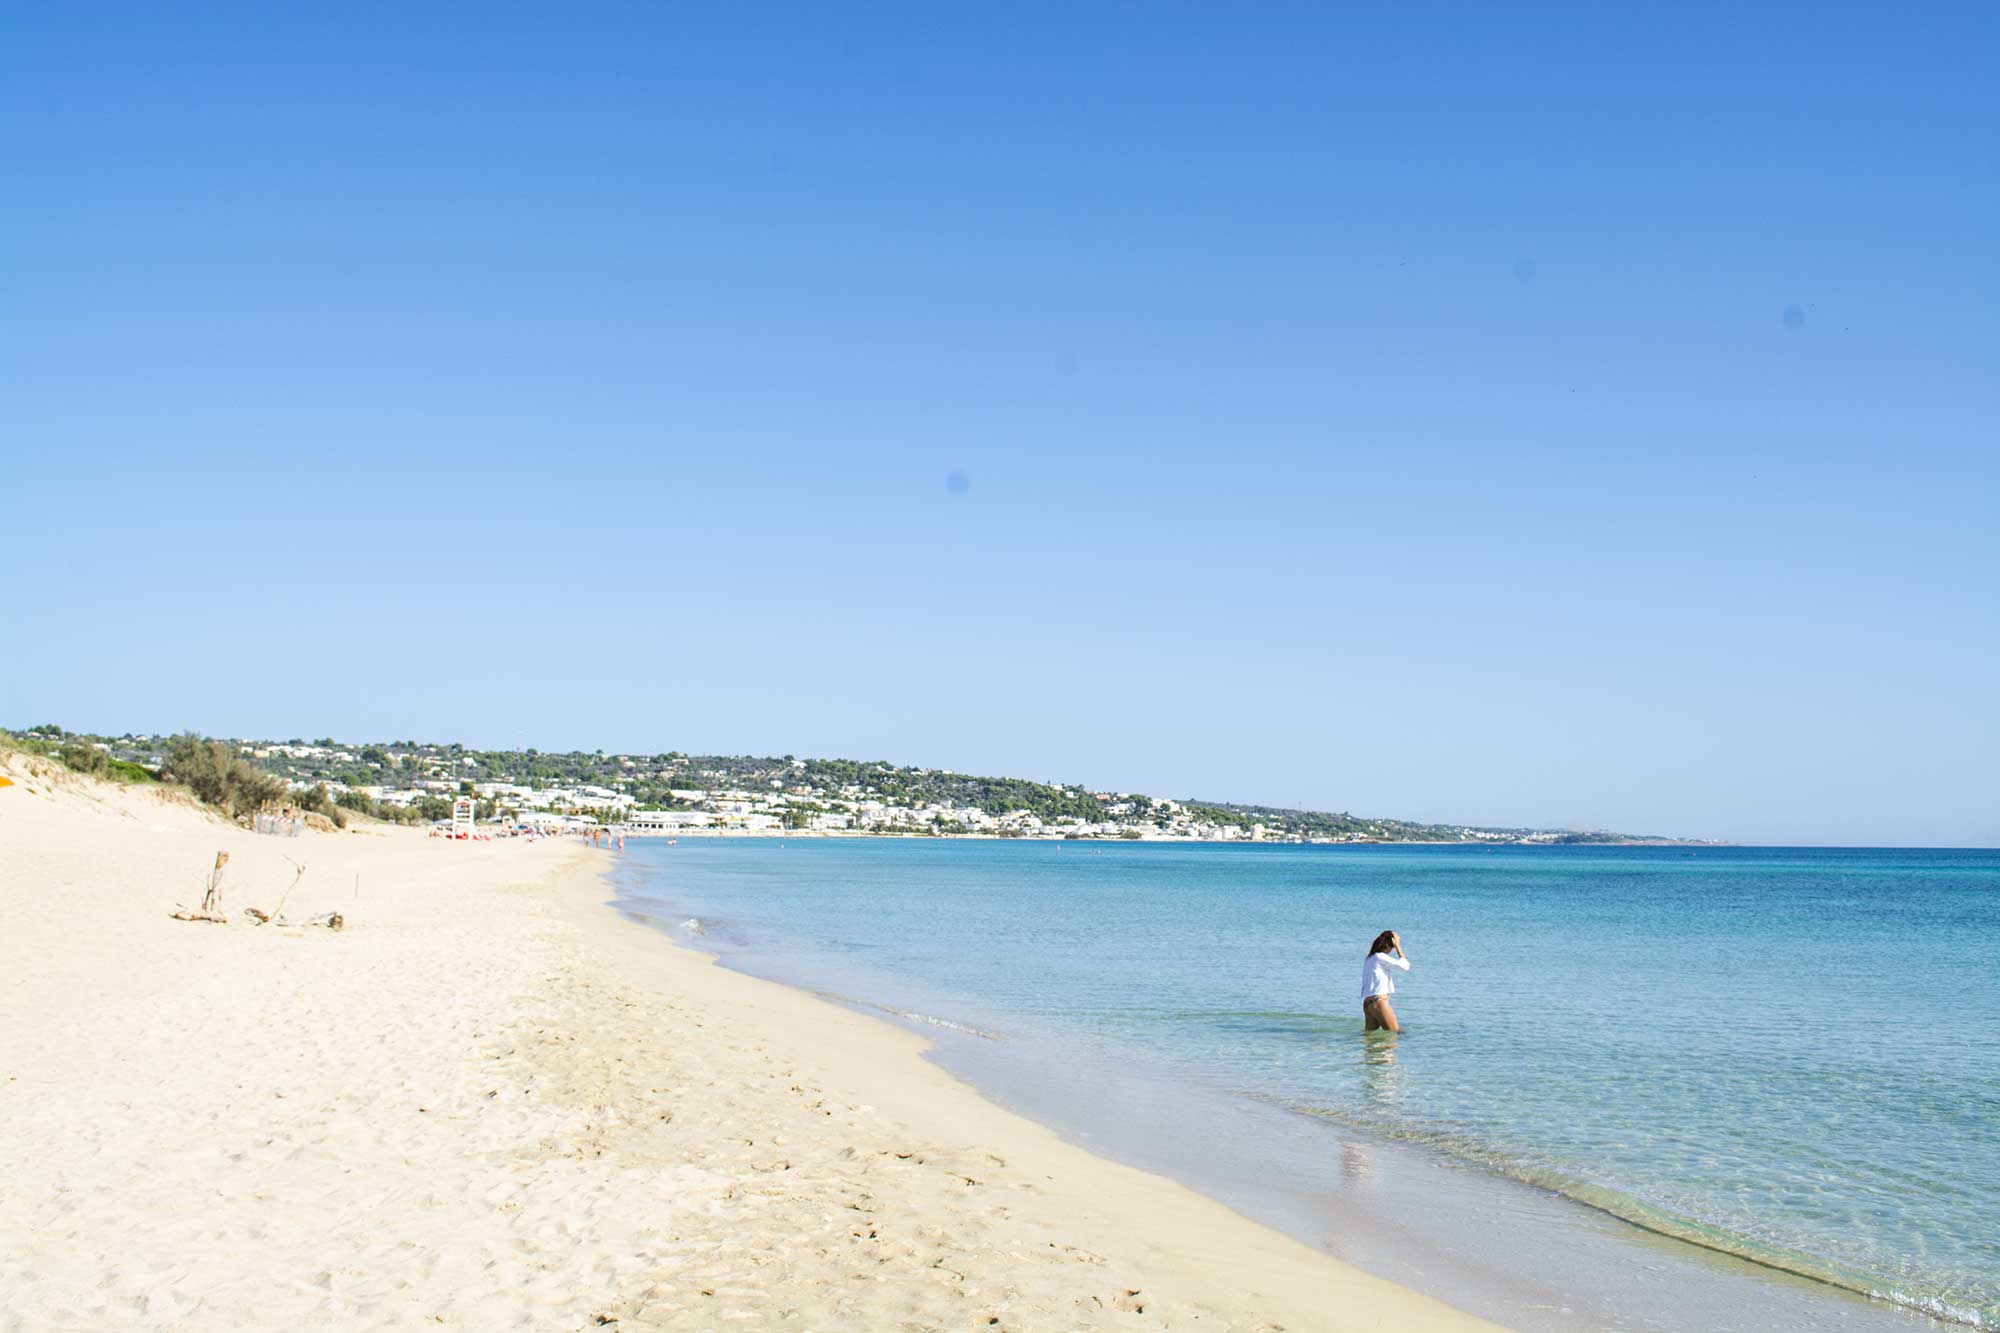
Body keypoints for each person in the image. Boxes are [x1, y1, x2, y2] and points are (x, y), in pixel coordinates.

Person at [1361, 930, 1410, 1032]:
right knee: (1396, 1034)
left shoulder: (1369, 958)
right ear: (1389, 944)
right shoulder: (1380, 957)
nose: (1392, 949)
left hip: (1367, 1004)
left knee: (1369, 1040)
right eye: (1393, 946)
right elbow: (1405, 966)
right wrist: (1398, 947)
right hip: (1379, 1002)